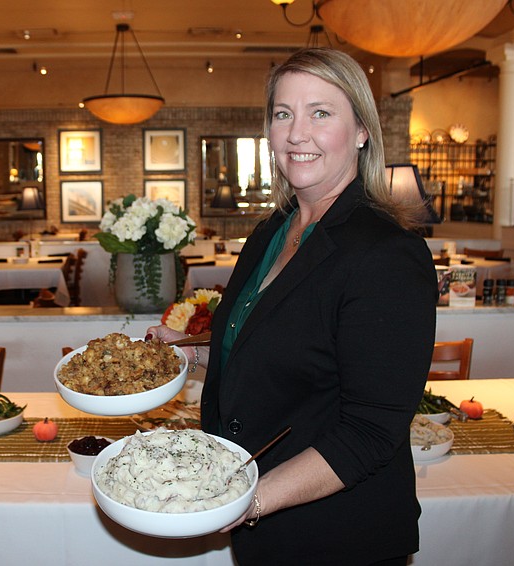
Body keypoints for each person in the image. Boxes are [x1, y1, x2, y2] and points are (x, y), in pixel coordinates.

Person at [147, 48, 437, 565]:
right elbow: (282, 352)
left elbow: (369, 433)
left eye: (320, 113)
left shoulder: (388, 254)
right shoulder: (271, 232)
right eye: (284, 114)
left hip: (337, 535)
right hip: (266, 532)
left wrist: (248, 500)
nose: (296, 133)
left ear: (363, 131)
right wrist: (190, 354)